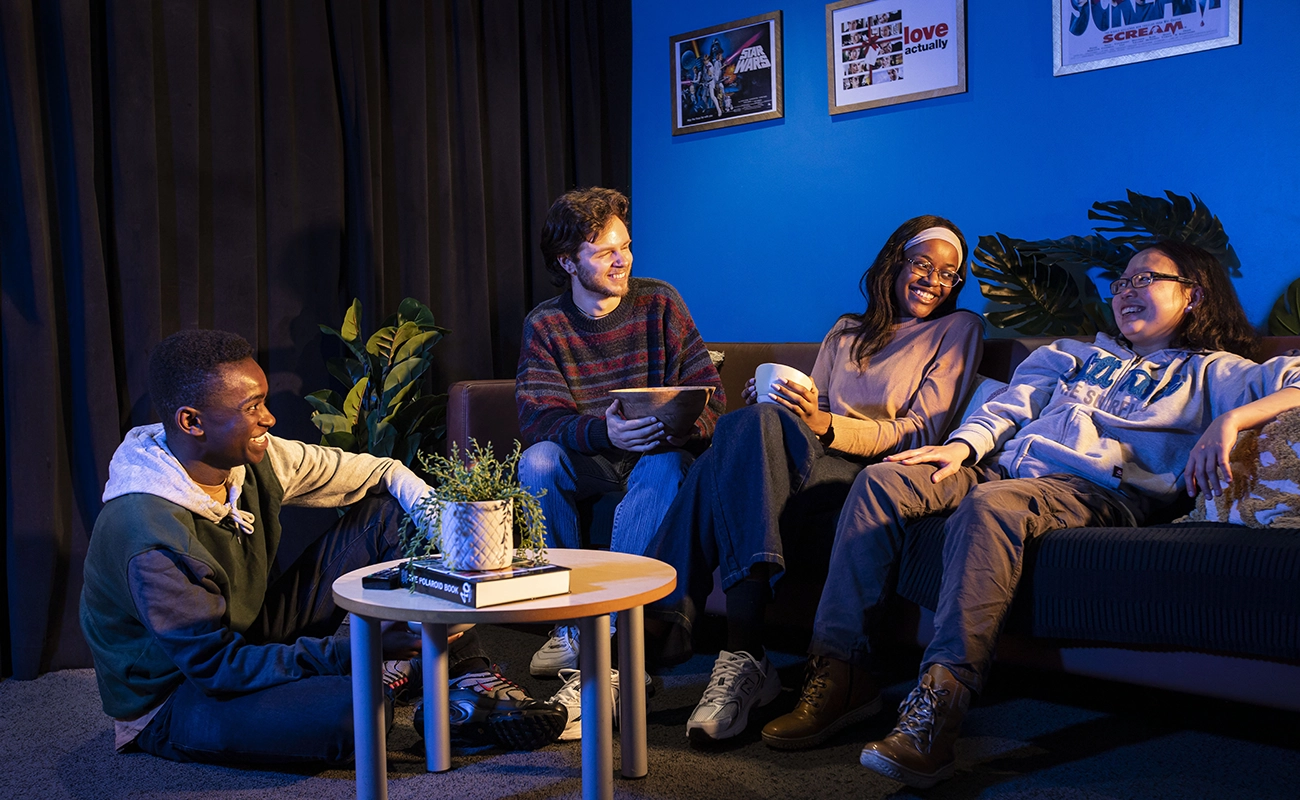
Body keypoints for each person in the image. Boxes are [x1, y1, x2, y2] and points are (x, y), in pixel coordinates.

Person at [761, 241, 1300, 788]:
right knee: (885, 481)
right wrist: (963, 448)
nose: (1129, 291)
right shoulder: (1073, 353)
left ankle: (936, 712)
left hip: (1090, 489)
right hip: (1002, 470)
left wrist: (1230, 421)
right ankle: (840, 670)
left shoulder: (1217, 373)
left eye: (1148, 279)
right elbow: (1009, 408)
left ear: (1194, 295)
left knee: (992, 505)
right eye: (1123, 283)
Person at [80, 329, 565, 765]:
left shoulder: (255, 459)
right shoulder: (149, 535)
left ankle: (464, 680)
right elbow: (216, 667)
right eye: (251, 408)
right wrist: (358, 648)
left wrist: (448, 522)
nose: (269, 418)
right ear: (192, 421)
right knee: (355, 716)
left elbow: (382, 472)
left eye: (264, 401)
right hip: (179, 692)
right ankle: (393, 669)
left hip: (248, 634)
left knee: (387, 512)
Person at [644, 216, 985, 744]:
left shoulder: (957, 329)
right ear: (896, 261)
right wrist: (785, 409)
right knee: (750, 424)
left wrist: (823, 425)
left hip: (871, 475)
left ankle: (660, 632)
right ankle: (744, 655)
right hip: (809, 460)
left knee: (732, 449)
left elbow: (923, 429)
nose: (935, 280)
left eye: (949, 273)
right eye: (923, 264)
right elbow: (814, 406)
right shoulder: (847, 330)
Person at [515, 188, 724, 731]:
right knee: (537, 460)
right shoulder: (546, 324)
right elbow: (539, 417)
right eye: (605, 251)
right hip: (591, 460)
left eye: (625, 246)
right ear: (568, 263)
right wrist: (601, 430)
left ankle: (605, 638)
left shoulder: (660, 303)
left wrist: (678, 425)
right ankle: (567, 626)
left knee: (665, 465)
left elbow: (712, 394)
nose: (622, 259)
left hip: (656, 457)